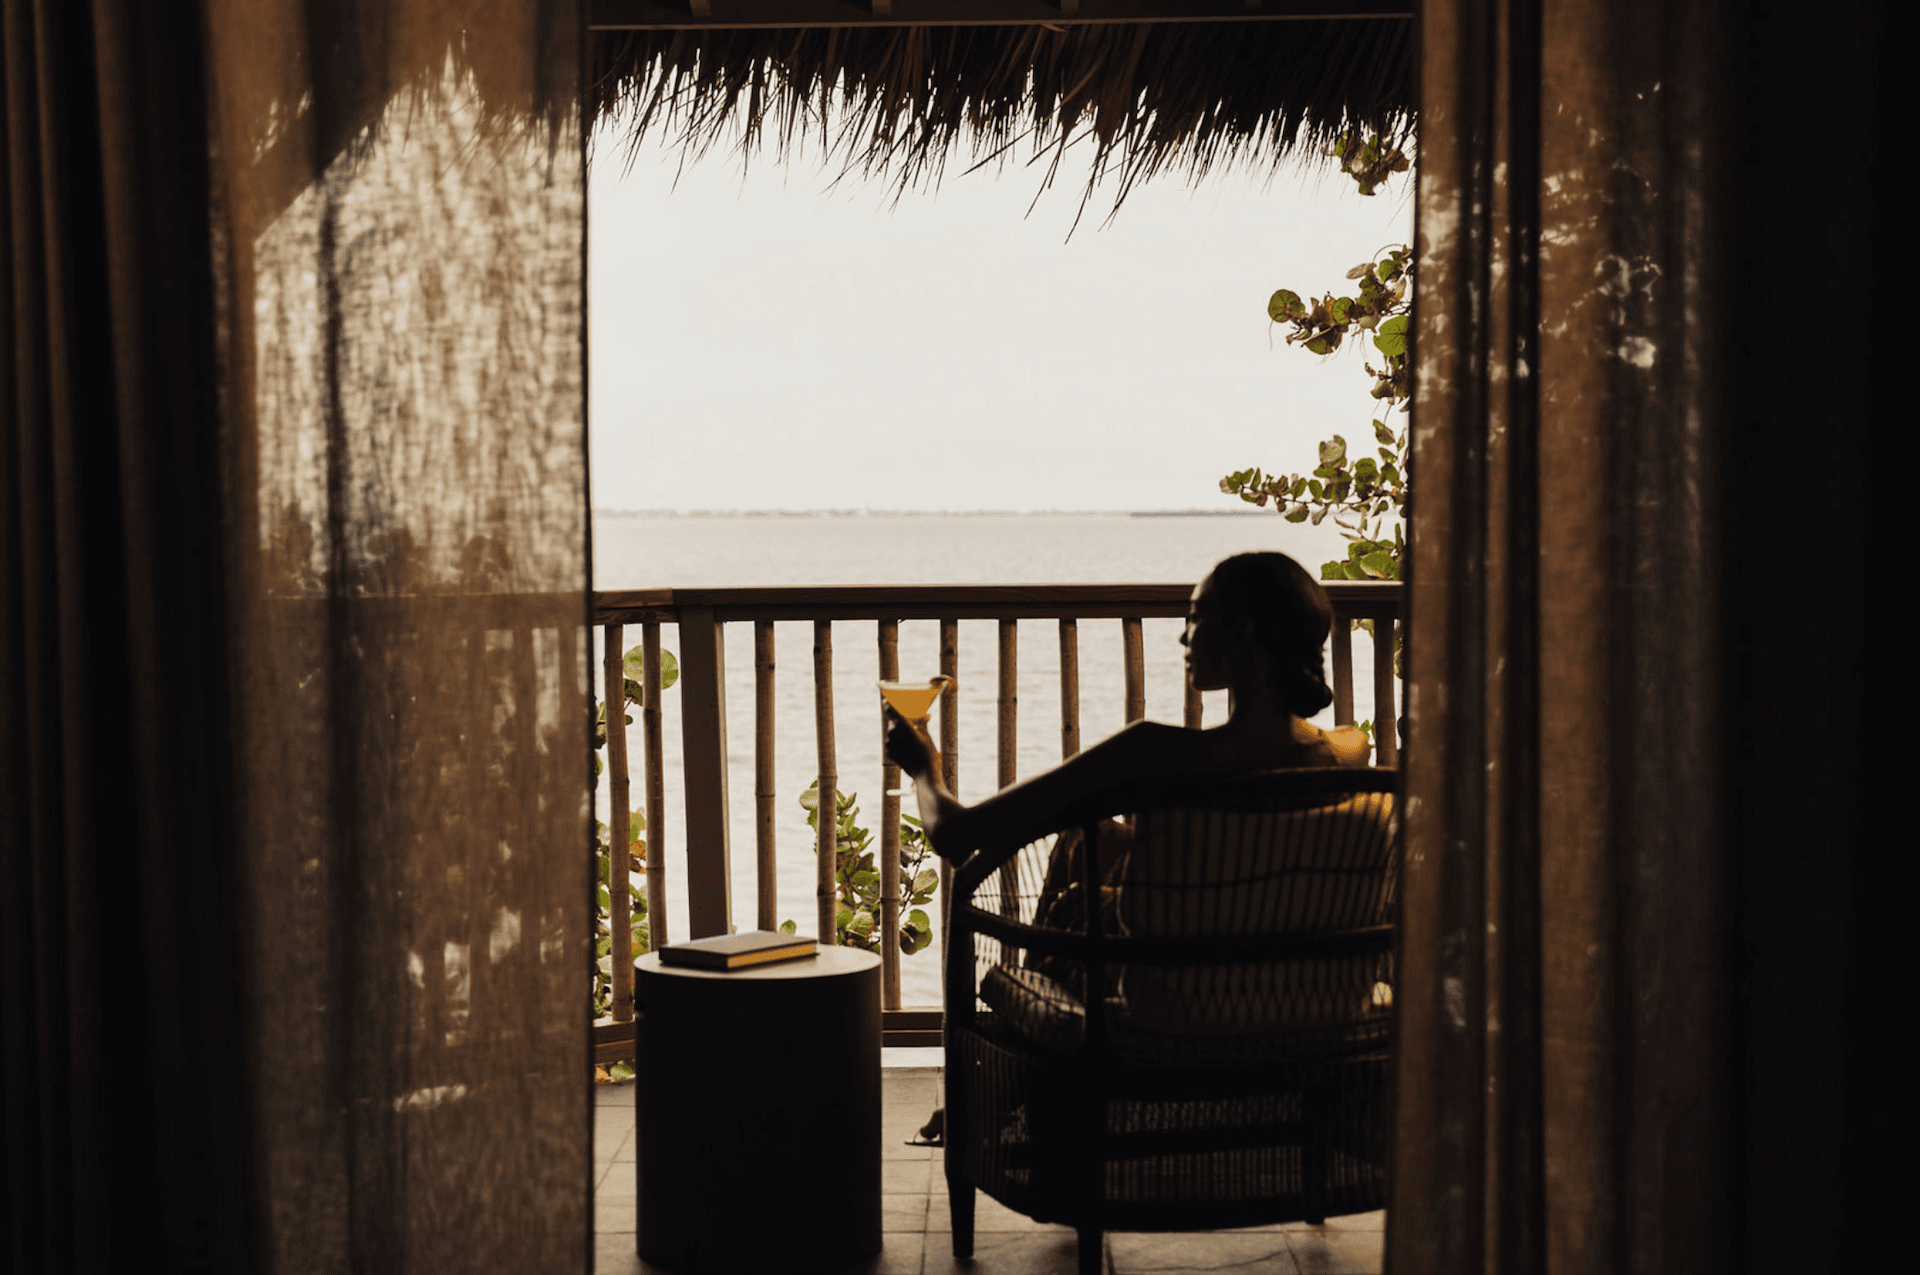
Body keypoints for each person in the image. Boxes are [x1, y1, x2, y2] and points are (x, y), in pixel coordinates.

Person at [884, 551, 1370, 1145]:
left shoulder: (1152, 754)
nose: (1182, 636)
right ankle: (1007, 1099)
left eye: (1196, 617)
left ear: (1241, 632)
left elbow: (957, 836)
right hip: (1292, 1005)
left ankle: (1009, 1100)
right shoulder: (1345, 754)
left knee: (1077, 870)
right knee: (1097, 844)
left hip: (1166, 1014)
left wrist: (923, 767)